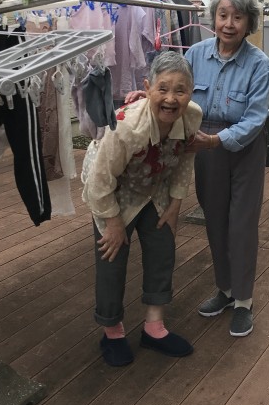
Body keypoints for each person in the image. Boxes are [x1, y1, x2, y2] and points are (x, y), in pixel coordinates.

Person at [82, 51, 202, 367]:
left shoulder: (193, 116)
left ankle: (154, 327)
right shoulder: (124, 126)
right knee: (112, 257)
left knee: (163, 250)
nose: (171, 98)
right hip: (113, 191)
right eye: (163, 88)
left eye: (180, 90)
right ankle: (112, 331)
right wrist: (113, 223)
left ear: (191, 92)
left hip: (155, 187)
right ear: (147, 88)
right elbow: (99, 181)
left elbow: (185, 158)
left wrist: (176, 203)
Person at [186, 0, 269, 338]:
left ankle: (243, 302)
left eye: (238, 17)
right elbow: (175, 91)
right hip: (204, 147)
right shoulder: (195, 54)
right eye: (223, 15)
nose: (229, 24)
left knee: (241, 224)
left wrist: (217, 139)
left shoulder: (259, 63)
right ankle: (224, 290)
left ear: (249, 23)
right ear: (213, 18)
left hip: (244, 148)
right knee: (215, 220)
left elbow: (255, 117)